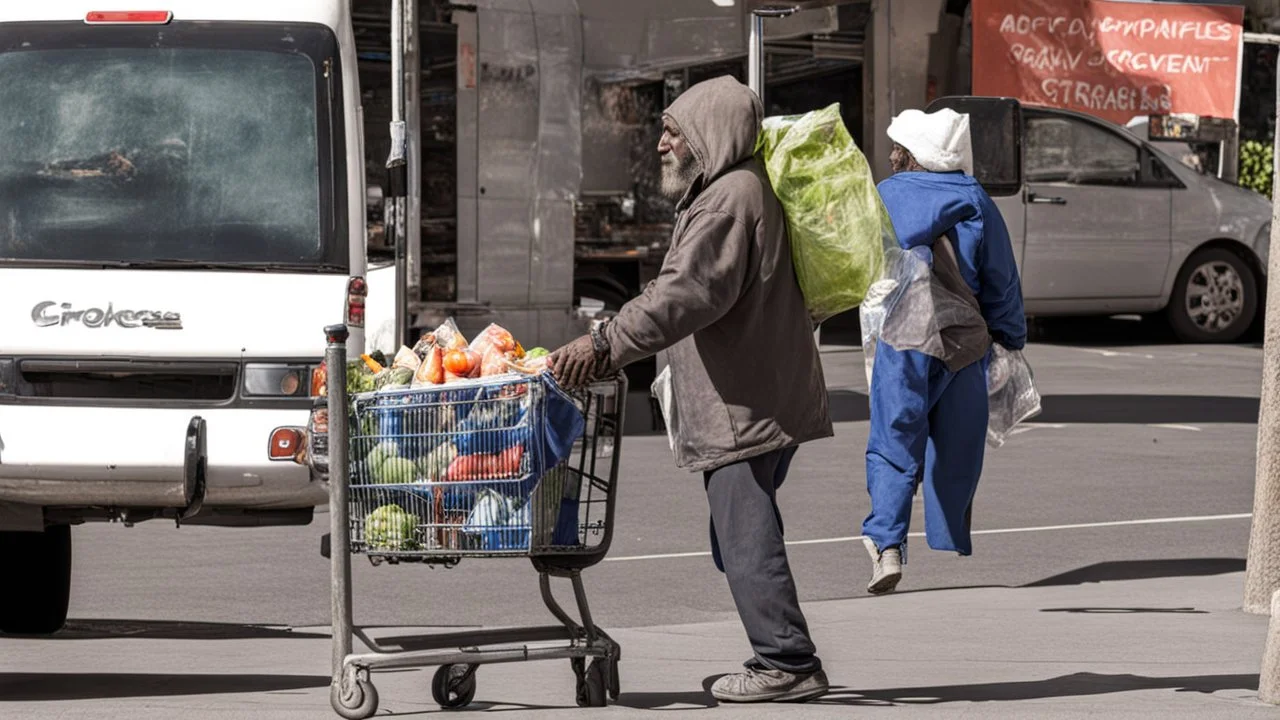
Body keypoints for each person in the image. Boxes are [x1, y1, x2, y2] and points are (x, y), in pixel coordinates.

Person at [549, 75, 834, 704]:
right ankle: (779, 646)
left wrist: (602, 345)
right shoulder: (732, 191)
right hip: (757, 391)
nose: (661, 146)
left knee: (743, 532)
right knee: (736, 534)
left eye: (673, 133)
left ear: (708, 136)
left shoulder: (729, 200)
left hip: (745, 402)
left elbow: (683, 296)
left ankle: (786, 661)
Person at [861, 107, 1027, 594]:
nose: (890, 154)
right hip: (967, 341)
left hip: (904, 339)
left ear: (908, 154)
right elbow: (1002, 280)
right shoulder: (975, 199)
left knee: (895, 436)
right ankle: (949, 531)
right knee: (958, 442)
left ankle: (887, 545)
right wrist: (1011, 336)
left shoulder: (885, 196)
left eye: (897, 148)